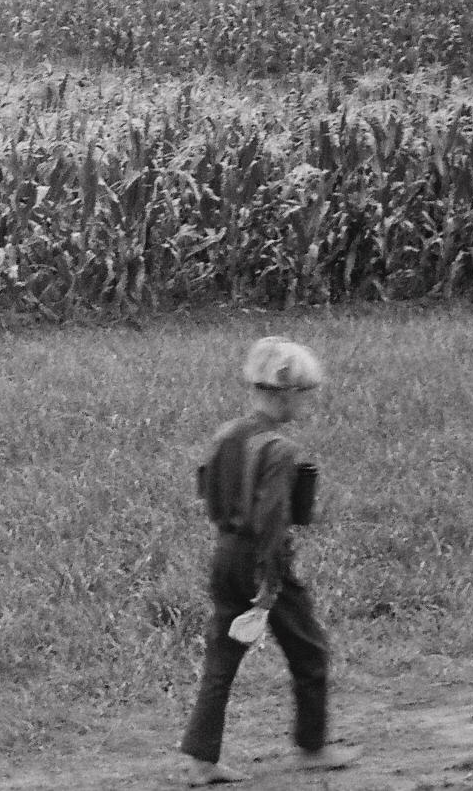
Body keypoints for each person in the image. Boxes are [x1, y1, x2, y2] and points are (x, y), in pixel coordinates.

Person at [179, 336, 358, 785]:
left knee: (222, 654)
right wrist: (271, 581)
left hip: (225, 554)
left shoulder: (225, 436)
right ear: (286, 393)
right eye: (304, 394)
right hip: (263, 558)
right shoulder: (280, 449)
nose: (306, 403)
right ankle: (312, 748)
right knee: (309, 648)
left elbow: (208, 491)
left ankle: (202, 761)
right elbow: (273, 519)